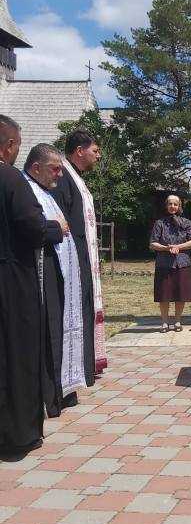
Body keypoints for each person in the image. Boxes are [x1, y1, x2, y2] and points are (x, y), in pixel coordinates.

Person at [0, 116, 67, 455]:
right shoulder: (10, 178)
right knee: (16, 352)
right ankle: (17, 434)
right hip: (11, 281)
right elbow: (33, 228)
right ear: (9, 146)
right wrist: (56, 229)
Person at [23, 144, 86, 417]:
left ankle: (63, 389)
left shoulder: (46, 192)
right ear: (36, 168)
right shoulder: (28, 191)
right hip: (41, 273)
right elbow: (31, 229)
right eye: (55, 169)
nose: (59, 175)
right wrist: (56, 229)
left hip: (59, 273)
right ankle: (52, 394)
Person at [51, 128, 106, 387]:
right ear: (79, 151)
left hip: (83, 259)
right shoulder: (63, 178)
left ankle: (85, 368)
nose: (98, 156)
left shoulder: (77, 179)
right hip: (71, 259)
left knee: (85, 309)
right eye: (95, 151)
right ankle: (75, 371)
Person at [150, 195, 191, 332]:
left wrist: (179, 247)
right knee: (163, 295)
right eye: (170, 204)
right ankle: (165, 322)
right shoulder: (159, 223)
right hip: (163, 264)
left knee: (180, 294)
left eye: (175, 204)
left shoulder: (187, 223)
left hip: (182, 263)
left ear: (179, 206)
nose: (173, 206)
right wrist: (166, 248)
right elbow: (153, 243)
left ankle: (177, 321)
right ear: (166, 206)